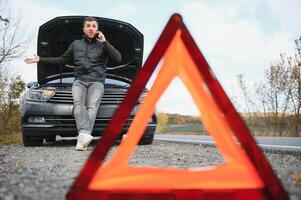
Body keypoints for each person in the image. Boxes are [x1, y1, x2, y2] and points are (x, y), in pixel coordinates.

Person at [25, 16, 121, 151]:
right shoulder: (76, 44)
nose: (91, 28)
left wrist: (105, 42)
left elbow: (118, 58)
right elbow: (61, 60)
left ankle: (83, 136)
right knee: (78, 105)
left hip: (96, 82)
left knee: (92, 107)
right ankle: (85, 135)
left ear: (97, 29)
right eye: (88, 26)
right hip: (79, 81)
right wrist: (40, 59)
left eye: (94, 26)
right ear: (84, 28)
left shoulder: (103, 45)